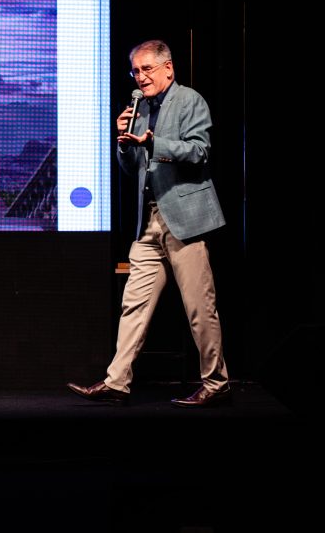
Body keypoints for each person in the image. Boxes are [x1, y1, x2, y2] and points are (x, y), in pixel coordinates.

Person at [67, 39, 230, 407]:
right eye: (136, 71)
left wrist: (155, 142)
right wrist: (124, 142)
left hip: (184, 219)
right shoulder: (138, 108)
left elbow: (200, 151)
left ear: (168, 68)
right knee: (134, 304)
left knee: (198, 307)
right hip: (149, 221)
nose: (140, 77)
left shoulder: (189, 101)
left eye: (147, 69)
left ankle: (217, 384)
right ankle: (116, 382)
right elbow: (131, 169)